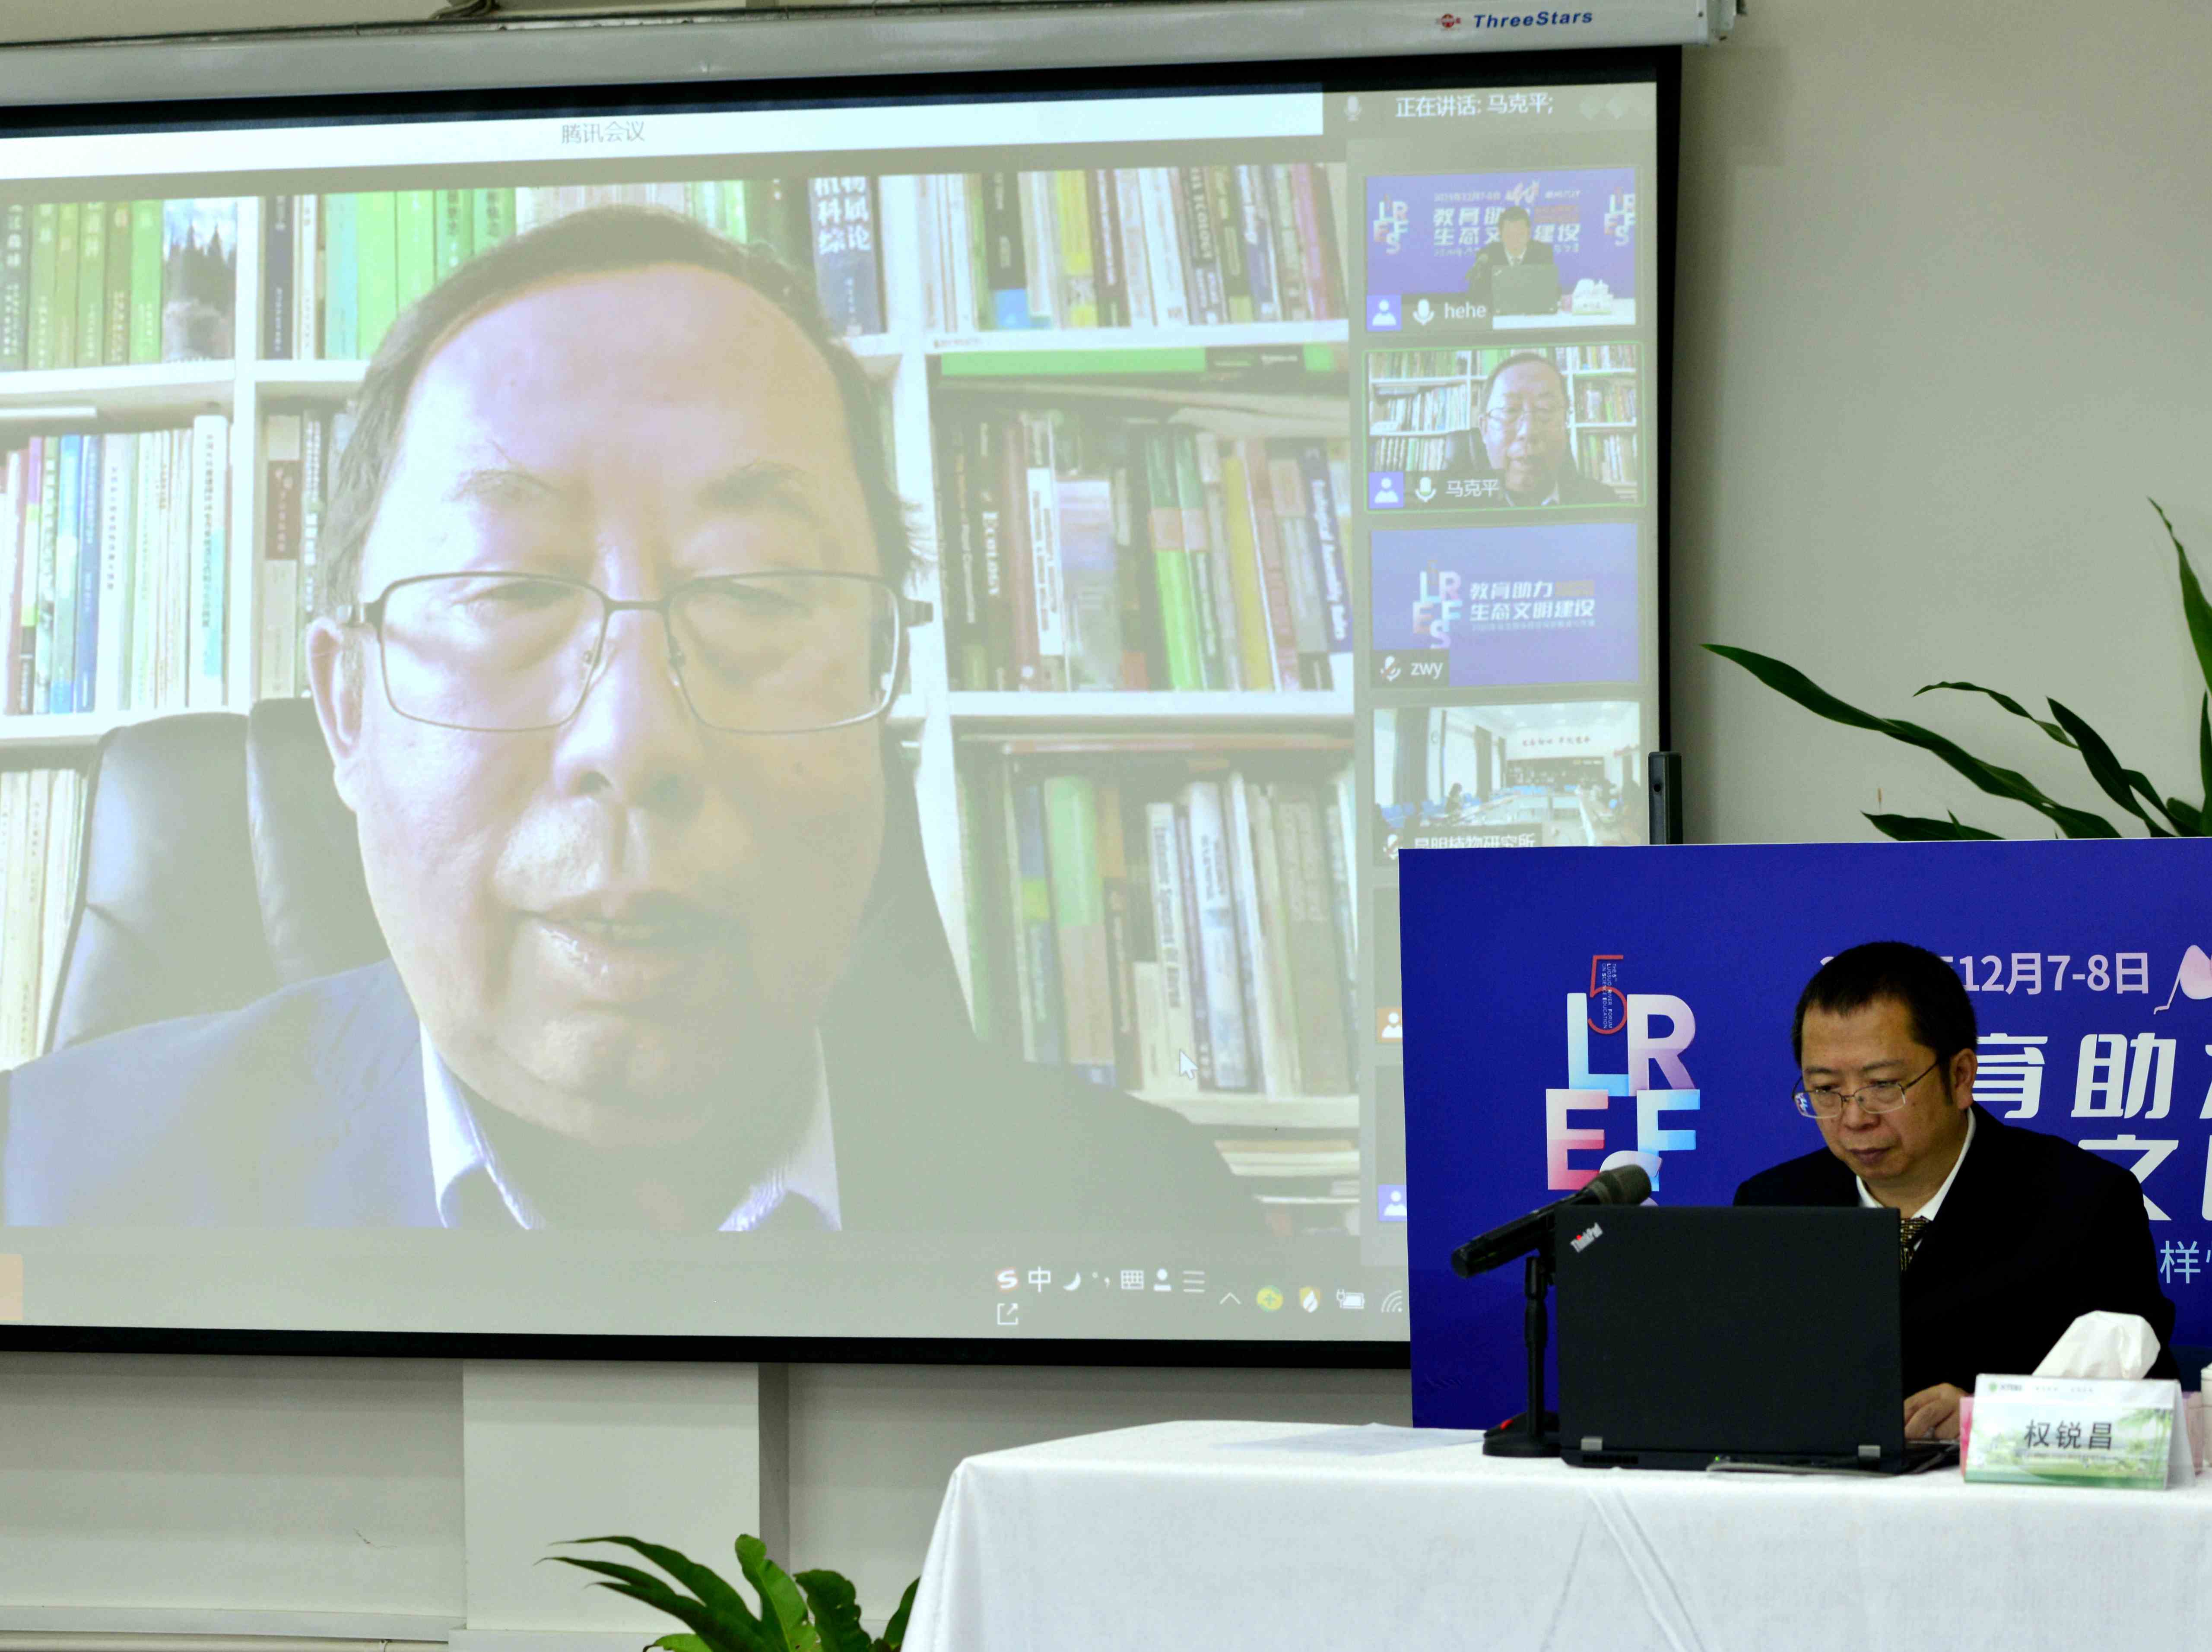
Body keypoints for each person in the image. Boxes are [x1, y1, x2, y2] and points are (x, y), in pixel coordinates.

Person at [0, 206, 1257, 1236]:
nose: (632, 737)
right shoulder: (43, 1193)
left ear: (882, 681)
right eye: (508, 589)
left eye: (757, 587)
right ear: (345, 710)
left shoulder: (1152, 1216)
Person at [1736, 942, 2176, 1442]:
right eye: (1825, 1090)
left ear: (1961, 1076)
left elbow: (2146, 1415)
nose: (1854, 1118)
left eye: (1883, 1085)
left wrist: (1993, 1420)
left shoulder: (2083, 1202)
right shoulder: (1771, 1207)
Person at [1454, 353, 1620, 507]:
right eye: (1510, 410)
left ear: (1566, 422)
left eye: (1545, 409)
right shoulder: (1454, 508)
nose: (1528, 431)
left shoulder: (1603, 503)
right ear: (1484, 428)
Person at [1460, 205, 1563, 314]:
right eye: (1509, 234)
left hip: (1533, 316)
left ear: (1529, 234)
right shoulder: (1488, 255)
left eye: (1520, 234)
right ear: (1500, 234)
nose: (1515, 239)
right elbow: (1477, 296)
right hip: (1498, 317)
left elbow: (1552, 291)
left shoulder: (1542, 253)